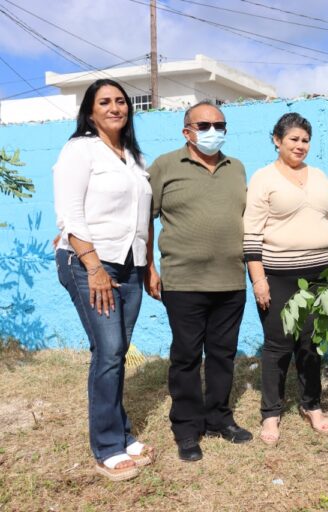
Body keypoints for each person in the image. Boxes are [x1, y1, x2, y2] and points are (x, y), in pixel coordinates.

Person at [53, 78, 154, 481]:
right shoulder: (81, 149)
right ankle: (108, 446)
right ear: (90, 111)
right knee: (110, 349)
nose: (115, 107)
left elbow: (142, 218)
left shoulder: (132, 157)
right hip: (90, 262)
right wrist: (93, 266)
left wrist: (148, 265)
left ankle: (122, 432)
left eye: (121, 101)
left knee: (114, 349)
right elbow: (70, 214)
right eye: (105, 102)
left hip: (129, 263)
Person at [146, 100, 252, 462]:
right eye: (204, 125)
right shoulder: (164, 166)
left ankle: (219, 418)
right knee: (187, 357)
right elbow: (145, 218)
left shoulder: (236, 168)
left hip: (230, 281)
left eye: (219, 125)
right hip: (183, 282)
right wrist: (149, 268)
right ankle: (187, 428)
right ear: (186, 131)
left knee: (223, 355)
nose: (213, 132)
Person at [244, 113, 328, 445]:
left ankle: (311, 405)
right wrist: (258, 280)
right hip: (278, 276)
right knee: (278, 345)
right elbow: (251, 233)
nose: (300, 145)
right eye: (293, 139)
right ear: (277, 140)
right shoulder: (263, 179)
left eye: (305, 140)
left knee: (311, 344)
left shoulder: (320, 177)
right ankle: (272, 413)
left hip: (321, 275)